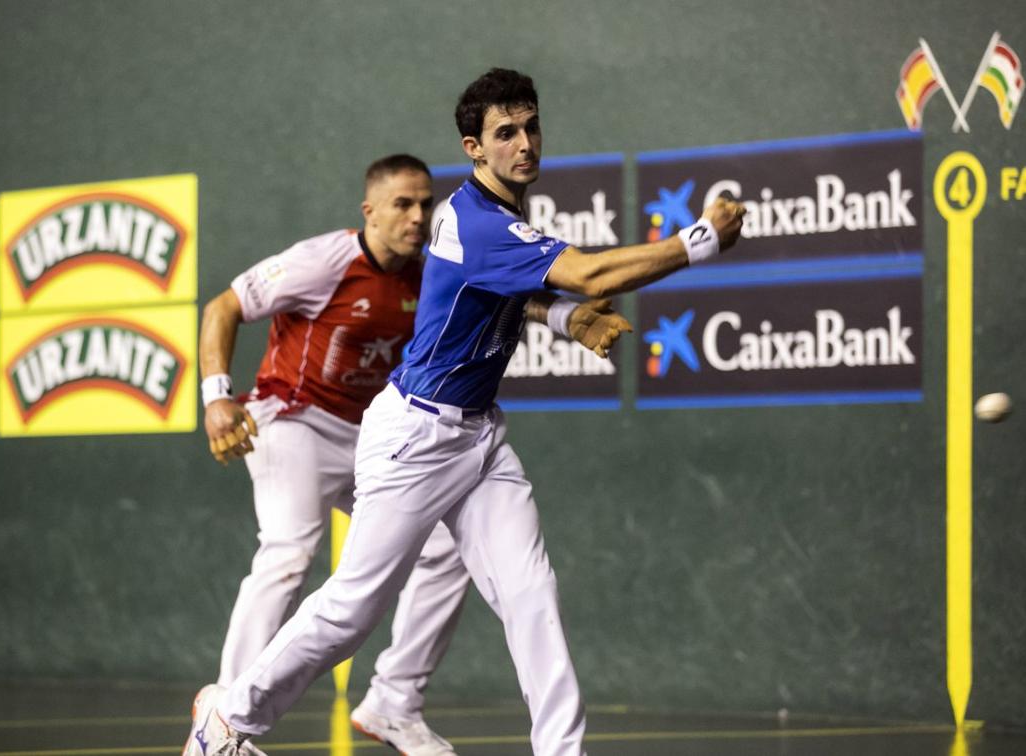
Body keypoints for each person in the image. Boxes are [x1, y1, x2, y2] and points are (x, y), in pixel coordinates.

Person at [186, 69, 744, 756]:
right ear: (474, 148)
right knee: (351, 609)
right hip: (412, 437)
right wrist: (701, 241)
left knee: (531, 592)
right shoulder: (478, 222)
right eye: (505, 133)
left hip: (478, 440)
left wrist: (568, 322)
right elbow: (592, 273)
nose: (524, 143)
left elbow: (504, 294)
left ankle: (528, 741)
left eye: (531, 127)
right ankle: (228, 719)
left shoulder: (484, 224)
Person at [188, 155, 473, 756]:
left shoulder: (426, 277)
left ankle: (395, 699)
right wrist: (217, 399)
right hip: (290, 420)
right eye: (403, 204)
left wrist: (564, 311)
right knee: (290, 550)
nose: (418, 217)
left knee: (448, 546)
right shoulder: (323, 261)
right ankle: (222, 719)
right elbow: (222, 308)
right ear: (369, 210)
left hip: (367, 434)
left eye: (426, 204)